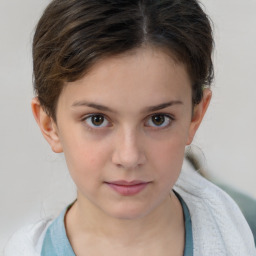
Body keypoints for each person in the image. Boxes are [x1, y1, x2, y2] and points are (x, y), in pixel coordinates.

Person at [4, 0, 255, 255]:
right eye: (97, 119)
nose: (129, 157)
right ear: (50, 126)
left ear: (195, 117)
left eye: (158, 119)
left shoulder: (248, 231)